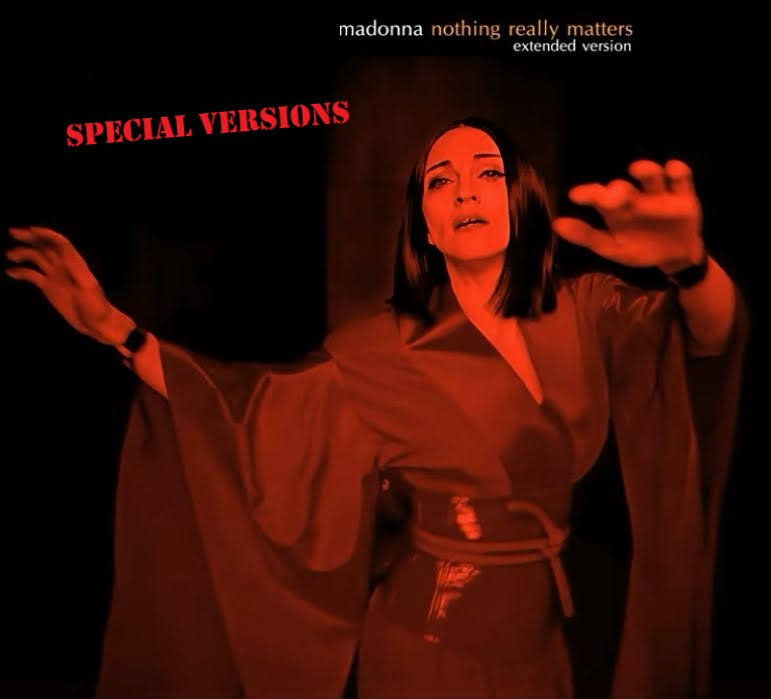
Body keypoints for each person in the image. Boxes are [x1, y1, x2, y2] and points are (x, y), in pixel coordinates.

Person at [5, 117, 748, 698]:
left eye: (487, 173)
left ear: (520, 200)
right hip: (424, 648)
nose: (465, 192)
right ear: (424, 223)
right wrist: (115, 328)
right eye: (441, 181)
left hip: (544, 645)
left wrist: (689, 265)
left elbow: (706, 338)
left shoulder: (586, 310)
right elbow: (241, 407)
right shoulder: (377, 351)